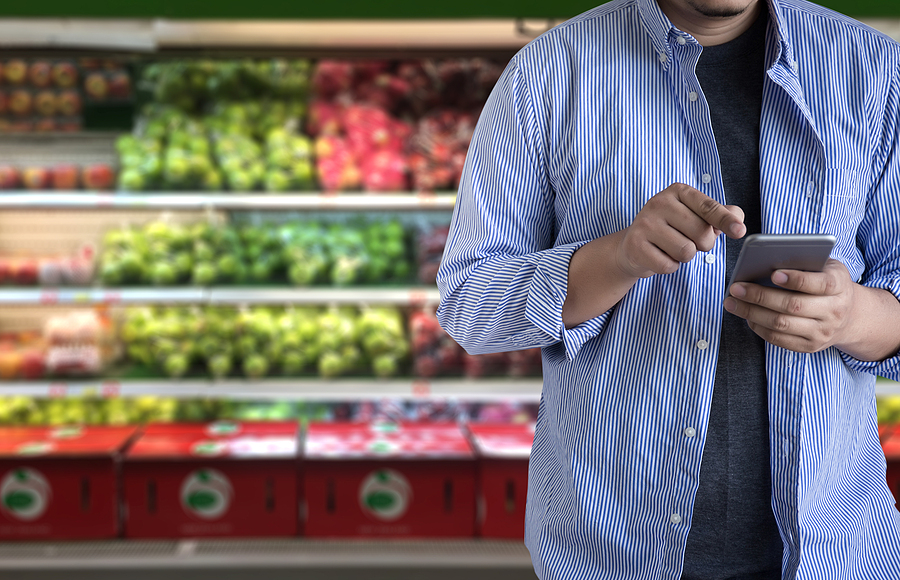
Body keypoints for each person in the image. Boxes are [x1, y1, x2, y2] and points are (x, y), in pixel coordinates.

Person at [435, 0, 900, 577]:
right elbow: (468, 304)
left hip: (838, 550)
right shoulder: (548, 75)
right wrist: (616, 258)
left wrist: (851, 315)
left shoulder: (874, 69)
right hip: (608, 552)